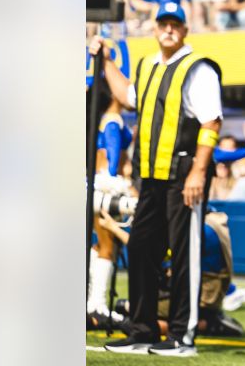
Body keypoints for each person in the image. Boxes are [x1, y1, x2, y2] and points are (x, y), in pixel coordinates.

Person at [89, 2, 223, 357]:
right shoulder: (148, 65)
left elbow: (211, 123)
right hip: (151, 175)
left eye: (175, 24)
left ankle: (182, 335)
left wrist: (198, 171)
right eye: (163, 23)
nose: (168, 29)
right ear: (154, 27)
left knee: (183, 254)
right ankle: (143, 329)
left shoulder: (199, 68)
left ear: (184, 30)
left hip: (183, 174)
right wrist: (104, 61)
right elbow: (127, 96)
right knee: (141, 247)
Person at [88, 83, 130, 324]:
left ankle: (93, 302)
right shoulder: (113, 120)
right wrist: (115, 181)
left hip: (99, 182)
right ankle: (98, 305)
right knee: (107, 244)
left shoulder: (106, 119)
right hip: (106, 185)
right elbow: (112, 153)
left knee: (103, 244)